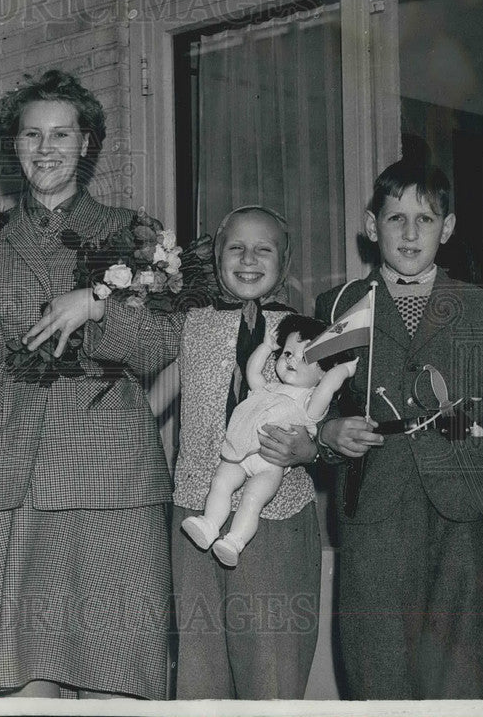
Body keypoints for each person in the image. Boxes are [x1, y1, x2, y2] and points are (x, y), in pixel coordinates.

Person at [0, 70, 173, 699]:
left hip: (107, 477)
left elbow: (160, 345)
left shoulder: (135, 234)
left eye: (62, 133)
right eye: (32, 134)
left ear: (87, 143)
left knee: (118, 679)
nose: (46, 147)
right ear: (16, 144)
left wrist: (99, 304)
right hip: (6, 474)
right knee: (18, 689)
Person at [314, 154, 483, 699]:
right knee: (376, 663)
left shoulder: (478, 308)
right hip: (374, 507)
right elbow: (308, 406)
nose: (411, 232)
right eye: (396, 218)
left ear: (448, 227)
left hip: (462, 506)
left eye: (425, 219)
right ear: (373, 228)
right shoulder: (342, 305)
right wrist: (329, 433)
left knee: (457, 671)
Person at [150, 206, 324, 699]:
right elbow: (155, 402)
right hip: (196, 510)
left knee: (272, 665)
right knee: (199, 670)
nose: (249, 259)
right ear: (217, 256)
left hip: (277, 514)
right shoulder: (193, 324)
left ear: (284, 261)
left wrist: (311, 447)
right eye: (236, 248)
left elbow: (329, 412)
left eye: (263, 248)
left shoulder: (306, 333)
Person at [182, 315, 356, 567]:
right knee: (220, 482)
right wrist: (266, 347)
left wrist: (343, 369)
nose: (292, 359)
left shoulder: (309, 402)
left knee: (252, 499)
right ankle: (209, 524)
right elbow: (252, 371)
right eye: (287, 353)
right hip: (239, 452)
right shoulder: (268, 389)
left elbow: (327, 388)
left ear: (324, 370)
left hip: (269, 464)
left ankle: (234, 541)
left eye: (306, 356)